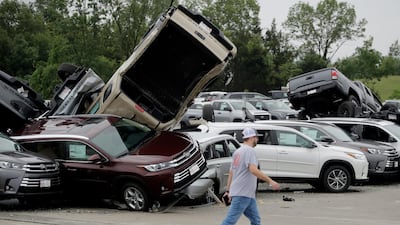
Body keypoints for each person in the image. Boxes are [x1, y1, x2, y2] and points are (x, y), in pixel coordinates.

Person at [221, 127, 280, 225]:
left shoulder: (237, 152)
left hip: (247, 194)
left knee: (255, 220)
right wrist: (270, 181)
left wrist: (228, 191)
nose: (257, 140)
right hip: (242, 193)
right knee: (230, 221)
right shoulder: (250, 151)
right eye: (256, 138)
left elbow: (231, 172)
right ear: (252, 138)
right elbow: (253, 169)